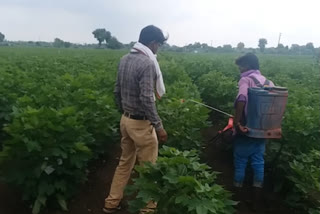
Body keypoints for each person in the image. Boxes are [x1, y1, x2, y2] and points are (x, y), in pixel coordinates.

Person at [103, 25, 168, 214]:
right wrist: (159, 126)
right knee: (149, 169)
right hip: (141, 125)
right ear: (153, 43)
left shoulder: (124, 59)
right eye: (159, 45)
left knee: (124, 163)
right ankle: (148, 209)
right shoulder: (147, 63)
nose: (158, 49)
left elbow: (117, 91)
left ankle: (111, 202)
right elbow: (147, 98)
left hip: (126, 120)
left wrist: (125, 112)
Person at [233, 53, 274, 208]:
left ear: (247, 66)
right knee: (258, 163)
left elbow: (241, 99)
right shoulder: (269, 82)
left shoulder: (246, 80)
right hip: (262, 131)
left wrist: (237, 123)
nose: (240, 70)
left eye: (241, 66)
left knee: (240, 162)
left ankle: (236, 201)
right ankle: (256, 201)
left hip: (246, 130)